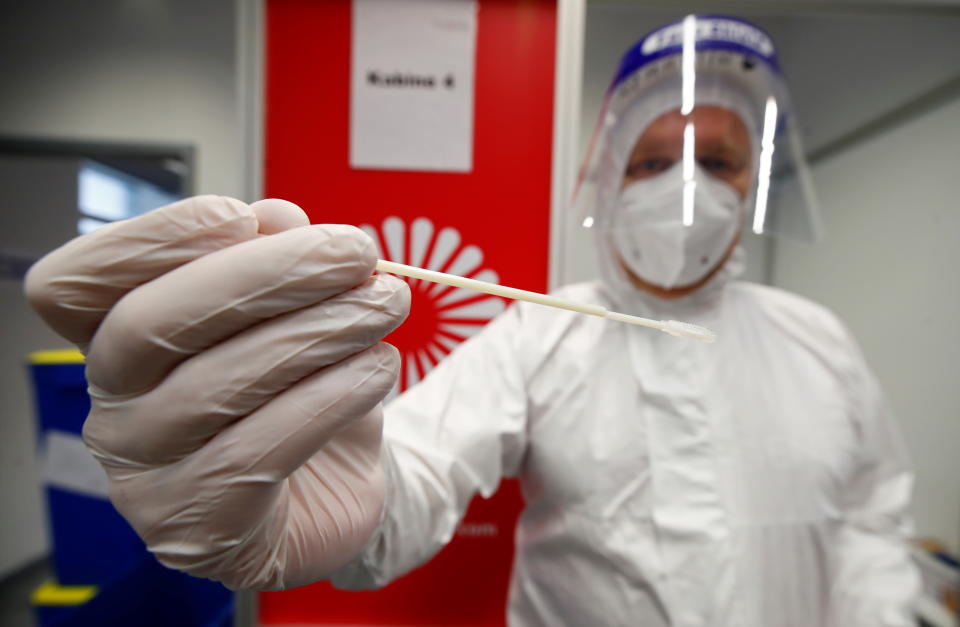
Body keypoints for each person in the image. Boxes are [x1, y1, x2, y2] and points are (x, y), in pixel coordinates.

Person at [25, 15, 918, 627]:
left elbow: (874, 517)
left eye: (716, 160)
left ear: (748, 183)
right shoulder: (549, 332)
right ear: (610, 179)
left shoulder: (818, 340)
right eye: (654, 159)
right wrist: (302, 492)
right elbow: (414, 464)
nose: (686, 186)